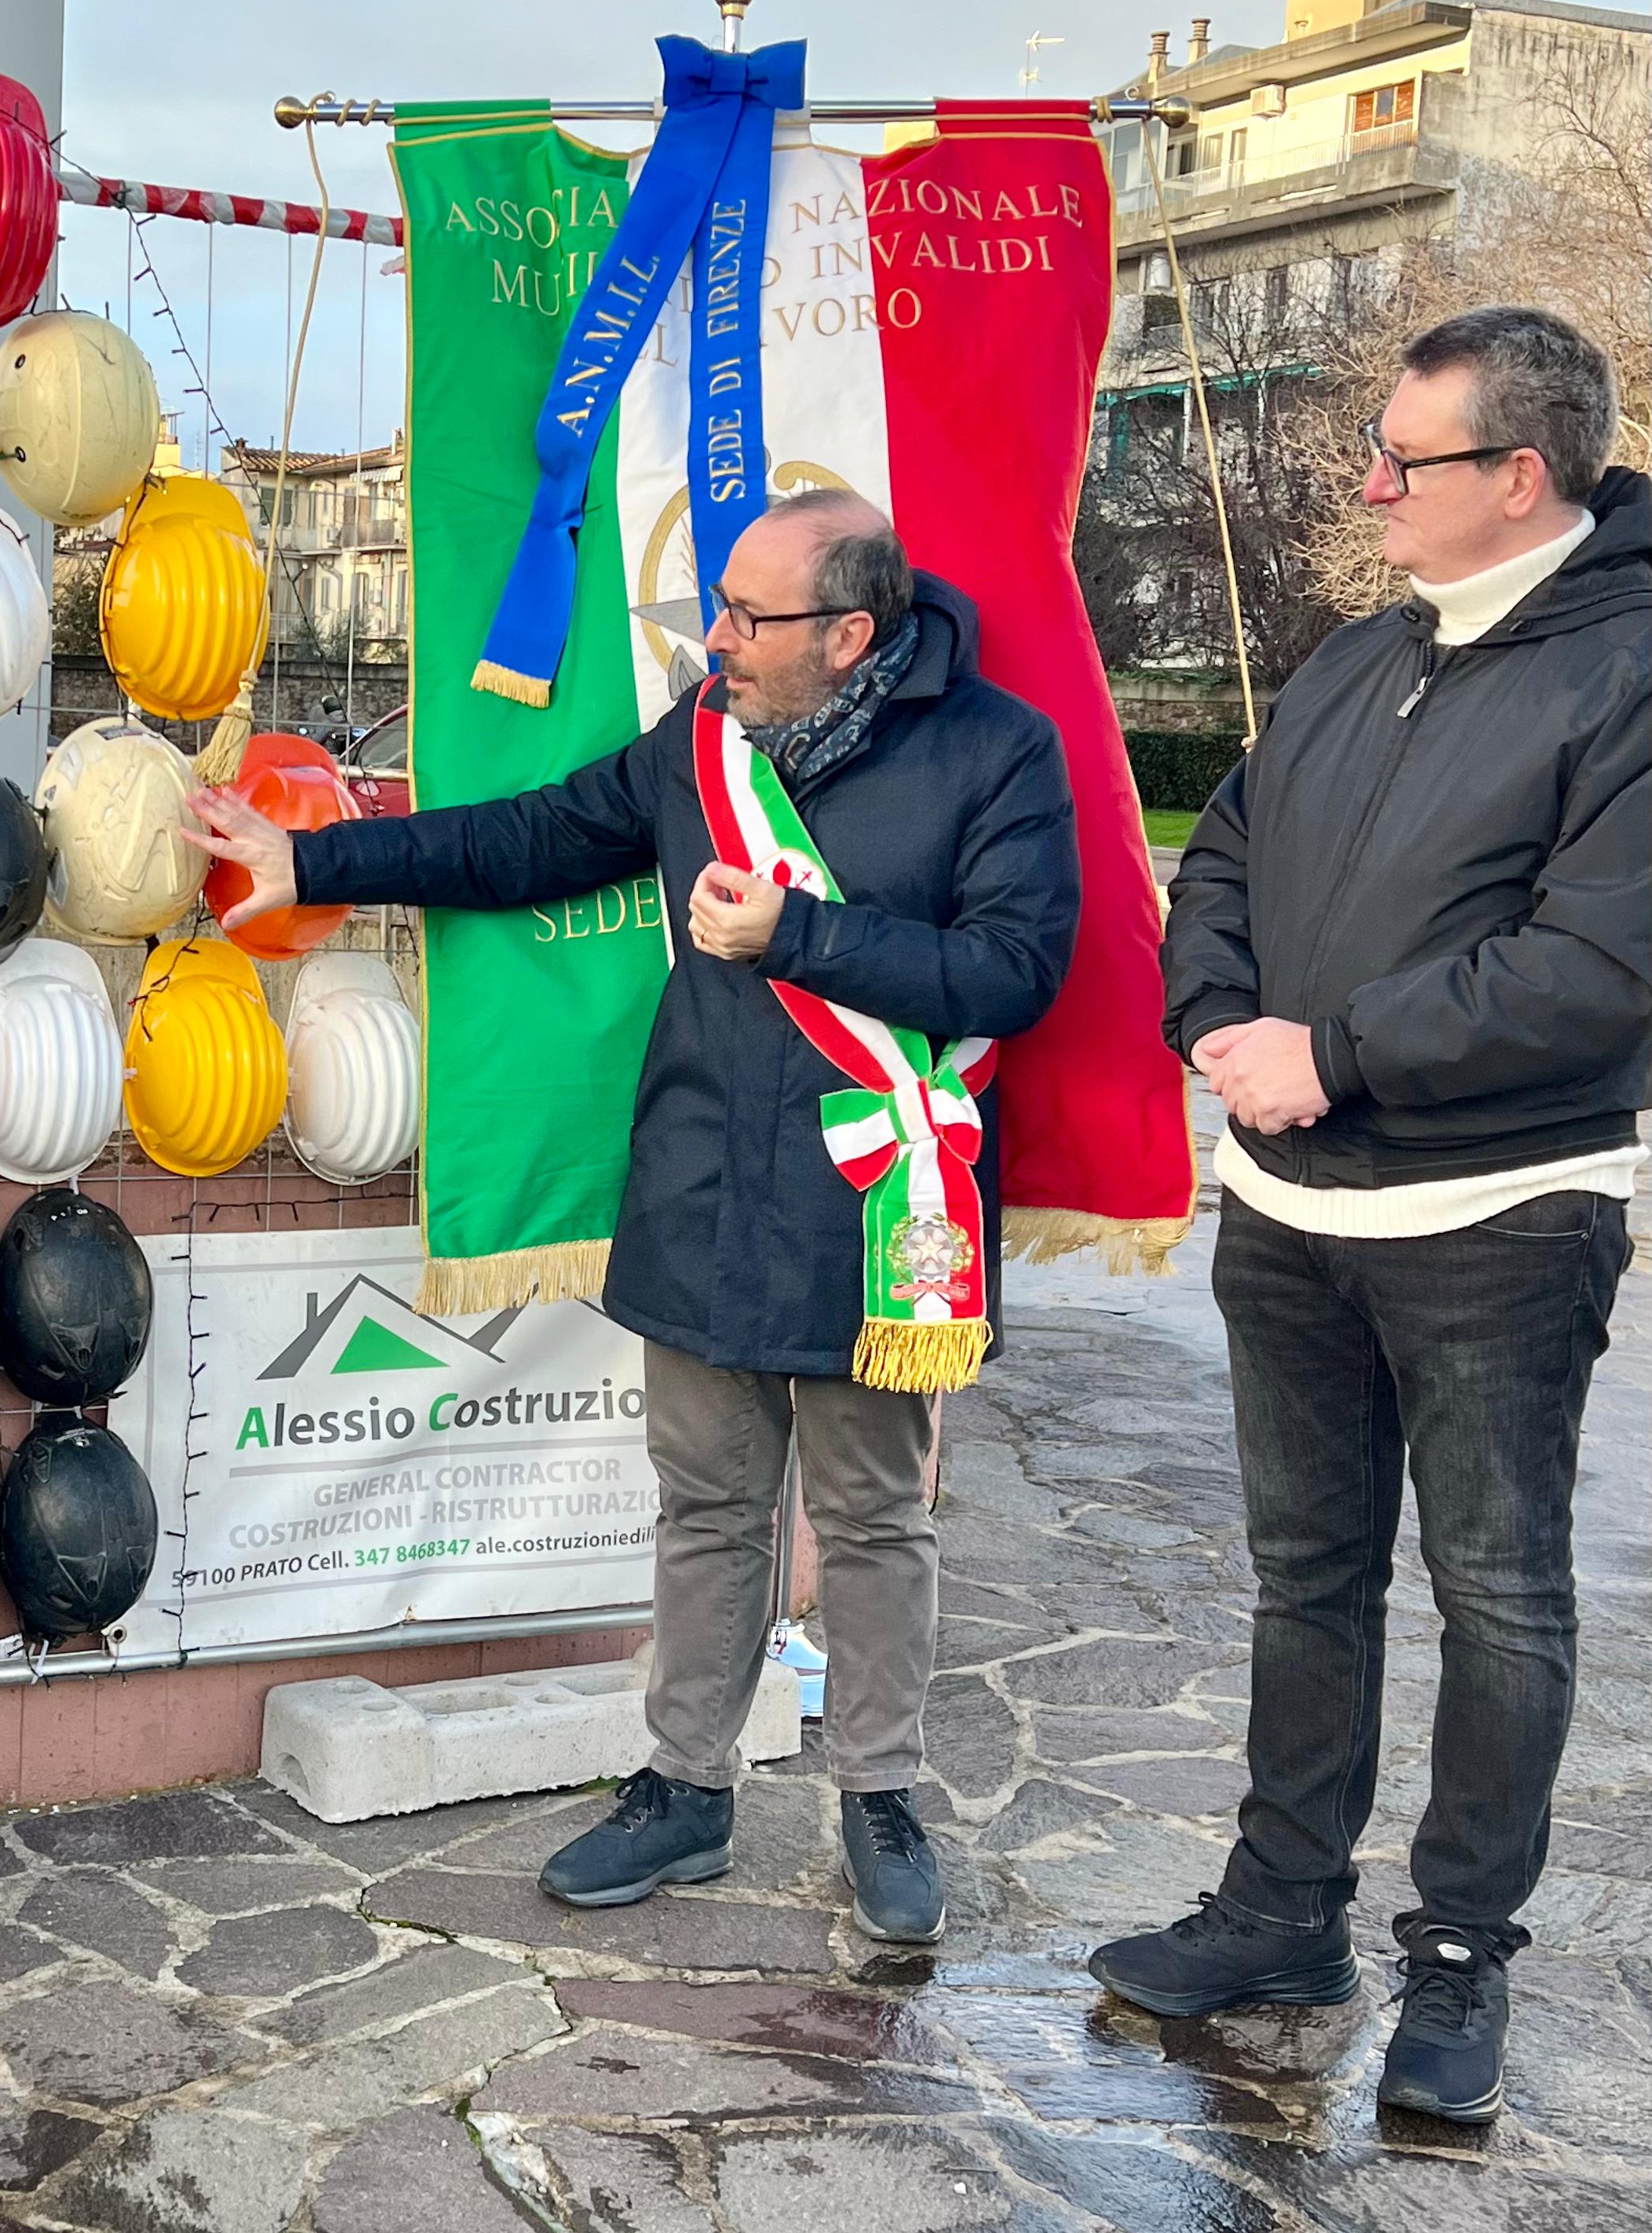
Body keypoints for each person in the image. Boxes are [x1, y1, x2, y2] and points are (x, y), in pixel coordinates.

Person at [190, 489, 1080, 1943]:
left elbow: (1014, 972)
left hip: (880, 1206)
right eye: (719, 607)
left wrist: (797, 935)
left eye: (750, 617)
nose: (715, 640)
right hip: (708, 1188)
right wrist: (320, 863)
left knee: (868, 1521)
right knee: (710, 1508)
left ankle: (880, 1795)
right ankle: (684, 1791)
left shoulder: (997, 753)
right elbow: (535, 839)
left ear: (852, 634)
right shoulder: (701, 741)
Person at [1091, 307, 1649, 2123]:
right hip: (1290, 1204)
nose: (1372, 488)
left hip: (1501, 1214)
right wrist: (1216, 1029)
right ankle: (1280, 1907)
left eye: (1405, 460)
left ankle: (1465, 1954)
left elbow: (1592, 970)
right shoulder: (1359, 650)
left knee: (1498, 1594)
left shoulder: (1632, 671)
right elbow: (1228, 852)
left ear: (1520, 475)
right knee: (1303, 1574)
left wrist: (1331, 1051)